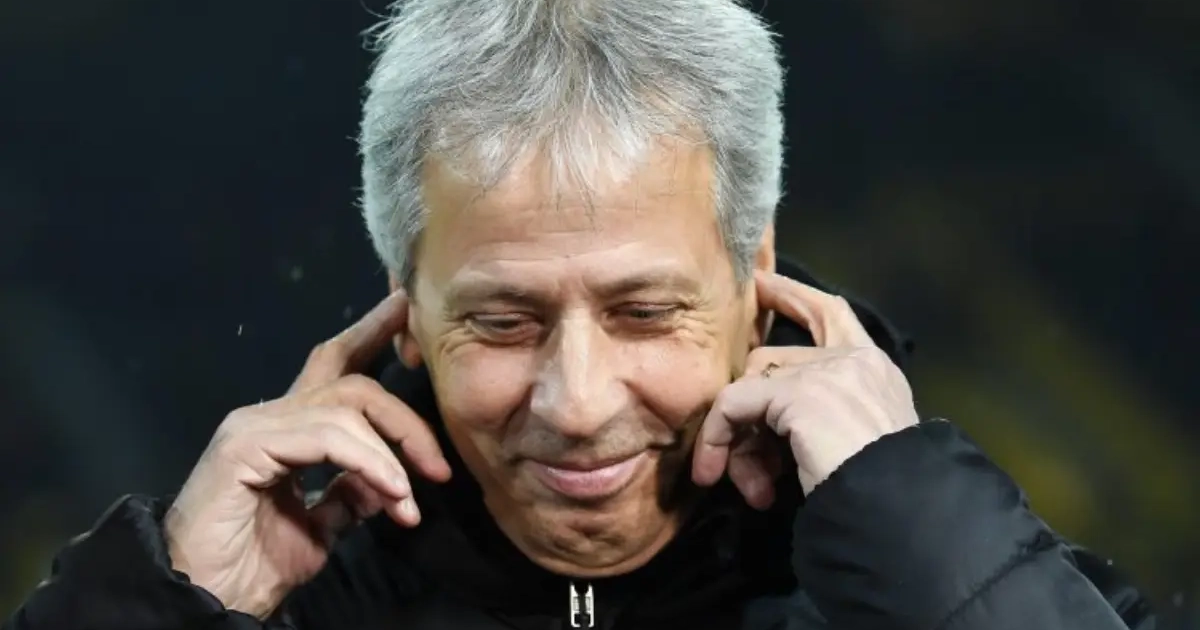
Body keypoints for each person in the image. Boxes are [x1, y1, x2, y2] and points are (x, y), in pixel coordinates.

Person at [5, 1, 1157, 629]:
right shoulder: (266, 600)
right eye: (504, 322)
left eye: (645, 311)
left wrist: (919, 547)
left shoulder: (950, 575)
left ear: (753, 272)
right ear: (405, 308)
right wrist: (167, 606)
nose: (578, 403)